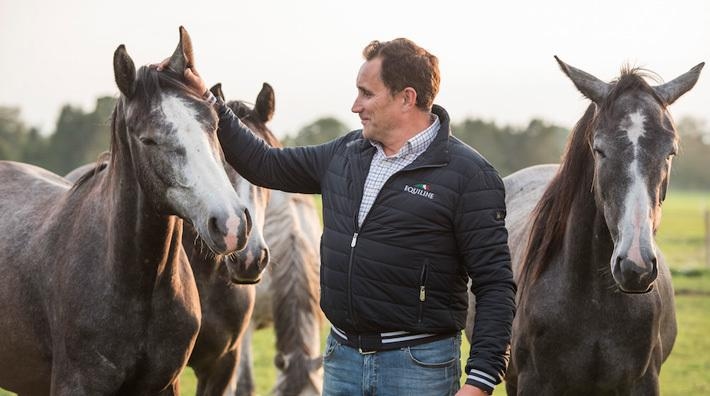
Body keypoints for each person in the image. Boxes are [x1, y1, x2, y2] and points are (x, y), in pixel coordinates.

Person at [160, 38, 515, 395]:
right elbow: (265, 163)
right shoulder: (344, 153)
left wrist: (481, 380)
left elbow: (494, 284)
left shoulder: (469, 175)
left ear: (407, 98)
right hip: (342, 359)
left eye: (367, 94)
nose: (355, 105)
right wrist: (208, 100)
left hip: (417, 367)